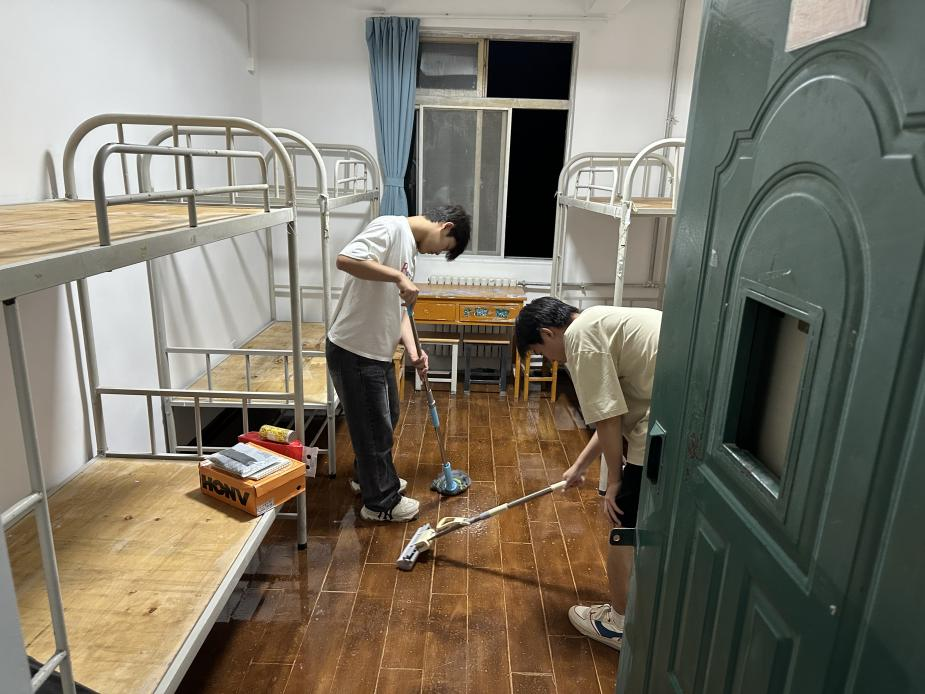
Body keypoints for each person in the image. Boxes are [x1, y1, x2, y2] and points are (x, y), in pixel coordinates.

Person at [514, 296, 660, 650]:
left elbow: (608, 418)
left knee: (623, 525)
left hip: (660, 424)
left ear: (548, 333)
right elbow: (612, 414)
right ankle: (645, 604)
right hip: (675, 412)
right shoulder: (598, 321)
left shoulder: (579, 338)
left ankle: (620, 625)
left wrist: (614, 482)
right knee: (644, 519)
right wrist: (579, 467)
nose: (552, 360)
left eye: (541, 351)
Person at [326, 205, 471, 522]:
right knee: (375, 429)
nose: (435, 253)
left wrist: (415, 350)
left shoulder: (410, 252)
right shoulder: (391, 228)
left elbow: (401, 310)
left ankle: (367, 478)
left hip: (377, 351)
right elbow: (345, 259)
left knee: (385, 419)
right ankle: (380, 503)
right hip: (355, 349)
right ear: (445, 227)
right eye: (442, 248)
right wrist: (398, 276)